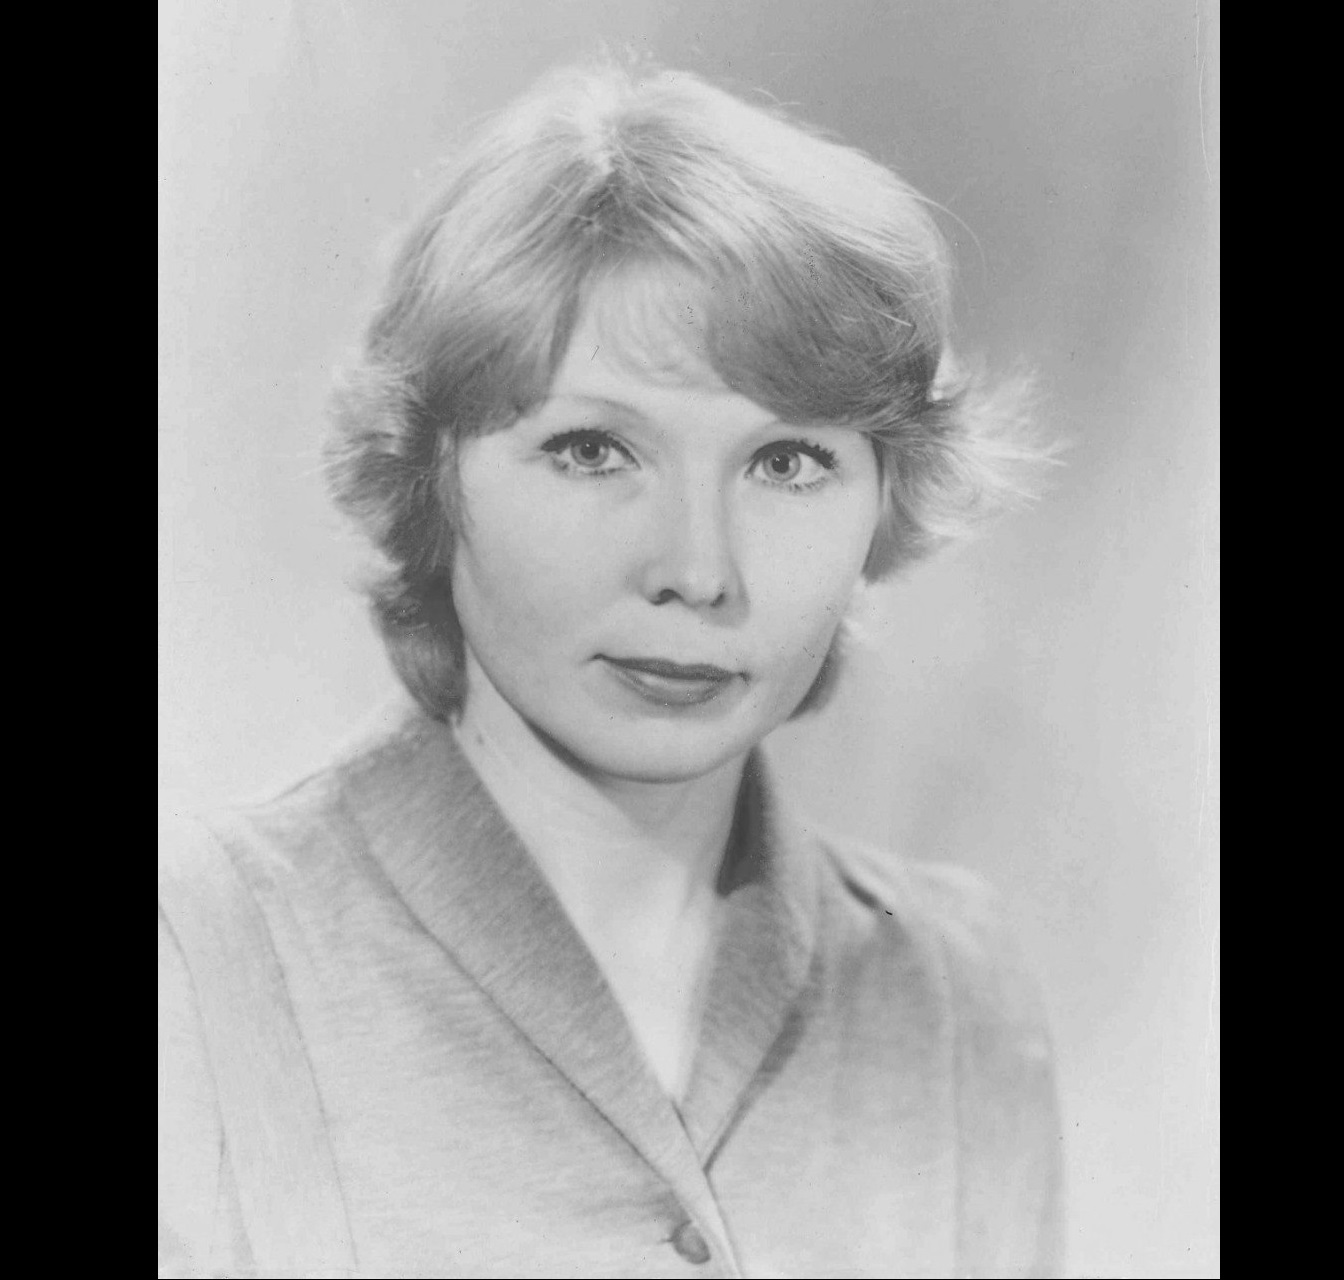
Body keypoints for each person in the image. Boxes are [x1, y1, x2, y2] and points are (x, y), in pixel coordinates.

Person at [159, 57, 1062, 1280]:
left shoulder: (956, 997)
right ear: (429, 475)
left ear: (885, 505)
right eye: (592, 450)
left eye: (788, 462)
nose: (698, 569)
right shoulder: (196, 963)